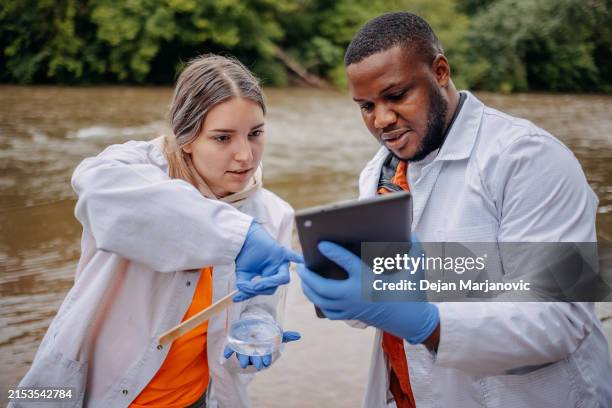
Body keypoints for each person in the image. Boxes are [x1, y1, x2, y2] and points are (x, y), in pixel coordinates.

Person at [295, 12, 612, 408]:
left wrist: (428, 324)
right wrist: (338, 284)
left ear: (440, 71)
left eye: (396, 96)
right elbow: (386, 299)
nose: (381, 120)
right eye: (365, 106)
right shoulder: (378, 172)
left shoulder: (530, 158)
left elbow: (562, 320)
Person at [11, 54, 301, 408]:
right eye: (223, 138)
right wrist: (237, 238)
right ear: (188, 138)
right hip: (91, 393)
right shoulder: (130, 168)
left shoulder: (273, 214)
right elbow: (95, 190)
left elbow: (260, 306)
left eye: (255, 134)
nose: (245, 155)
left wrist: (260, 329)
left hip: (195, 399)